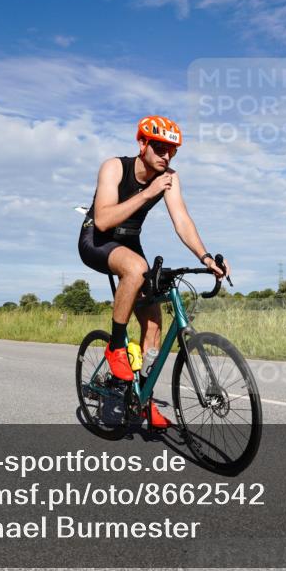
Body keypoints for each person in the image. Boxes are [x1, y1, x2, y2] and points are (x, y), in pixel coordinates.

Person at [78, 115, 228, 429]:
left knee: (154, 323)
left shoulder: (170, 177)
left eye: (171, 150)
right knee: (136, 268)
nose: (166, 155)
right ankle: (116, 345)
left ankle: (140, 402)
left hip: (130, 244)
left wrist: (205, 256)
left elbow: (182, 220)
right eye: (159, 148)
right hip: (97, 240)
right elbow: (104, 221)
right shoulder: (115, 167)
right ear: (142, 144)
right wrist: (147, 193)